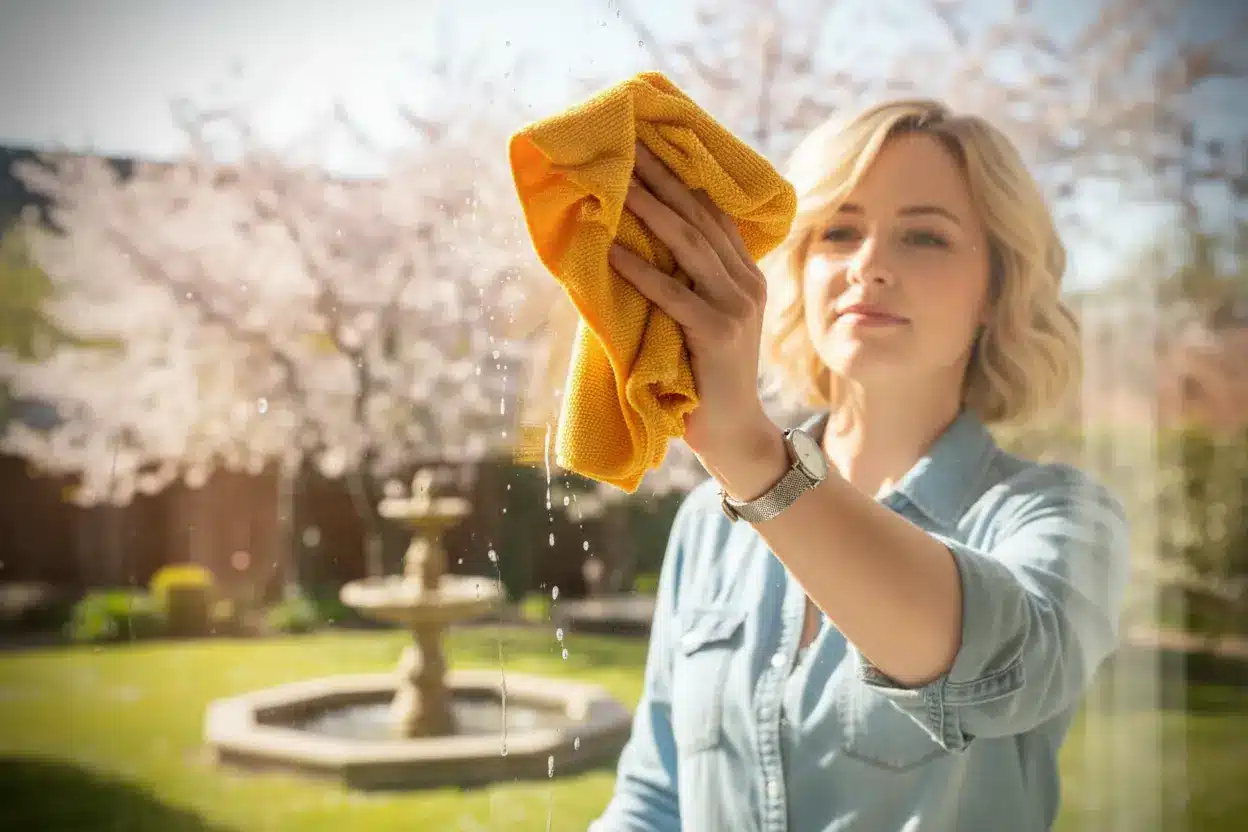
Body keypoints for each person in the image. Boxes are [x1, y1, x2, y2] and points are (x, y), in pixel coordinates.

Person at [590, 99, 1130, 832]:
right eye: (839, 231)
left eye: (924, 238)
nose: (869, 266)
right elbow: (655, 800)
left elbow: (1006, 676)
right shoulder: (708, 523)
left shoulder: (1057, 515)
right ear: (800, 269)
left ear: (995, 291)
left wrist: (753, 456)